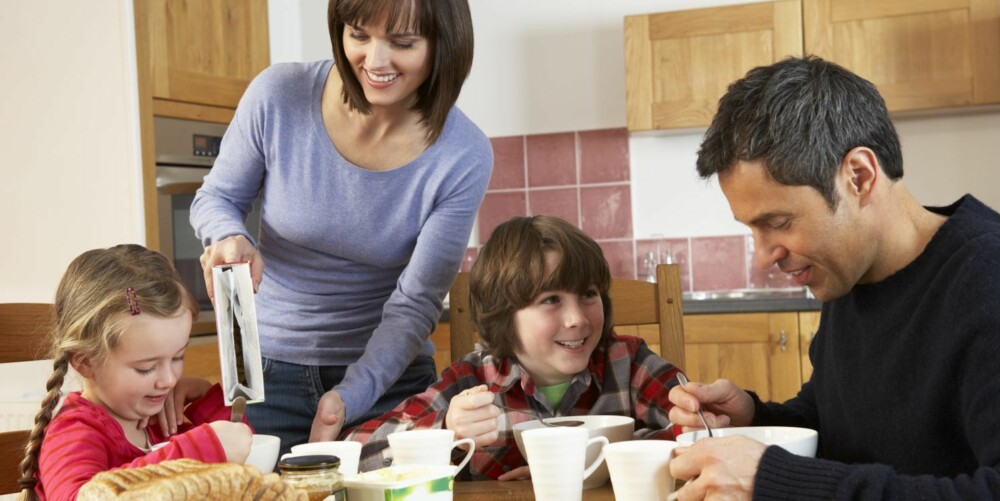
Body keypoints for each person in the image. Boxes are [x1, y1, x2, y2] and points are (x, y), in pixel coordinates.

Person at [667, 55, 1000, 500]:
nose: (764, 256)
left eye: (779, 221)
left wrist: (774, 481)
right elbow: (838, 422)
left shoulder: (987, 278)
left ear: (858, 176)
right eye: (752, 228)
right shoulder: (848, 274)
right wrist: (754, 417)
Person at [190, 0, 493, 456]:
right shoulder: (279, 95)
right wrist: (230, 237)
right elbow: (216, 199)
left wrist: (350, 396)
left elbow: (416, 303)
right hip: (267, 375)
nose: (374, 61)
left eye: (403, 43)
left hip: (388, 383)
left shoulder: (462, 155)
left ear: (444, 45)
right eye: (359, 35)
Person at [342, 215, 683, 480]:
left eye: (588, 294)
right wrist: (443, 432)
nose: (577, 318)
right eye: (551, 299)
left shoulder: (629, 362)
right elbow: (349, 454)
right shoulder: (471, 380)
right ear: (504, 316)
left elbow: (703, 428)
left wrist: (599, 465)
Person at [17, 244, 252, 501]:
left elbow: (245, 455)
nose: (169, 379)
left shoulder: (159, 421)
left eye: (178, 357)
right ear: (85, 362)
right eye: (146, 368)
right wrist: (196, 450)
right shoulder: (75, 431)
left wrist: (206, 398)